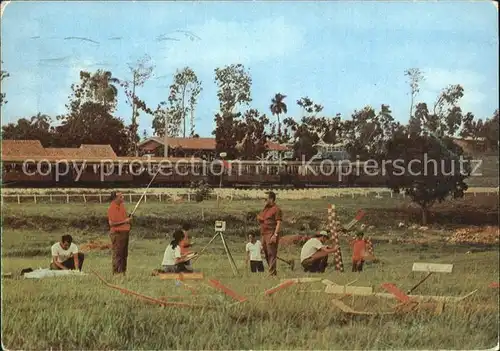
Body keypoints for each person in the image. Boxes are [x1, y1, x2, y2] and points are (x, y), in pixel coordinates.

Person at [257, 191, 282, 276]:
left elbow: (278, 223)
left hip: (271, 233)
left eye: (266, 198)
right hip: (264, 233)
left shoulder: (277, 209)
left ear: (271, 199)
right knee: (266, 253)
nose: (264, 200)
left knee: (272, 253)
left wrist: (275, 235)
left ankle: (272, 273)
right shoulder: (266, 208)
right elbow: (262, 217)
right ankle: (272, 271)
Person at [107, 191, 131, 275]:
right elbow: (111, 224)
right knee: (118, 254)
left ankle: (123, 272)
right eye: (120, 197)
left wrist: (128, 219)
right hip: (117, 234)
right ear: (115, 198)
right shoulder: (112, 208)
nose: (122, 198)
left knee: (124, 254)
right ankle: (117, 273)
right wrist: (125, 221)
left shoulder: (122, 206)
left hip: (125, 233)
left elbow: (124, 218)